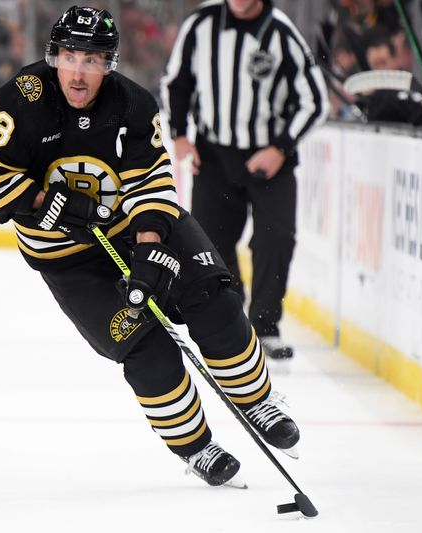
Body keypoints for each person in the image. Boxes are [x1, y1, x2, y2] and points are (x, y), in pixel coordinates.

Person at [0, 5, 301, 487]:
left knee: (213, 296)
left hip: (135, 229)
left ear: (110, 64)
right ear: (54, 55)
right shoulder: (24, 97)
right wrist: (51, 201)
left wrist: (147, 251)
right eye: (70, 56)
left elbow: (154, 185)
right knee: (144, 347)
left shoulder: (134, 105)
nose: (79, 72)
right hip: (68, 260)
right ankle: (198, 447)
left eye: (93, 60)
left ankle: (256, 400)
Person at [160, 0, 329, 360]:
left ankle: (265, 327)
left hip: (270, 158)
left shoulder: (282, 33)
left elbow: (315, 100)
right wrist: (179, 135)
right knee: (210, 244)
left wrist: (280, 148)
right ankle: (234, 326)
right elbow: (176, 82)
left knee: (276, 239)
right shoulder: (200, 26)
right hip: (214, 157)